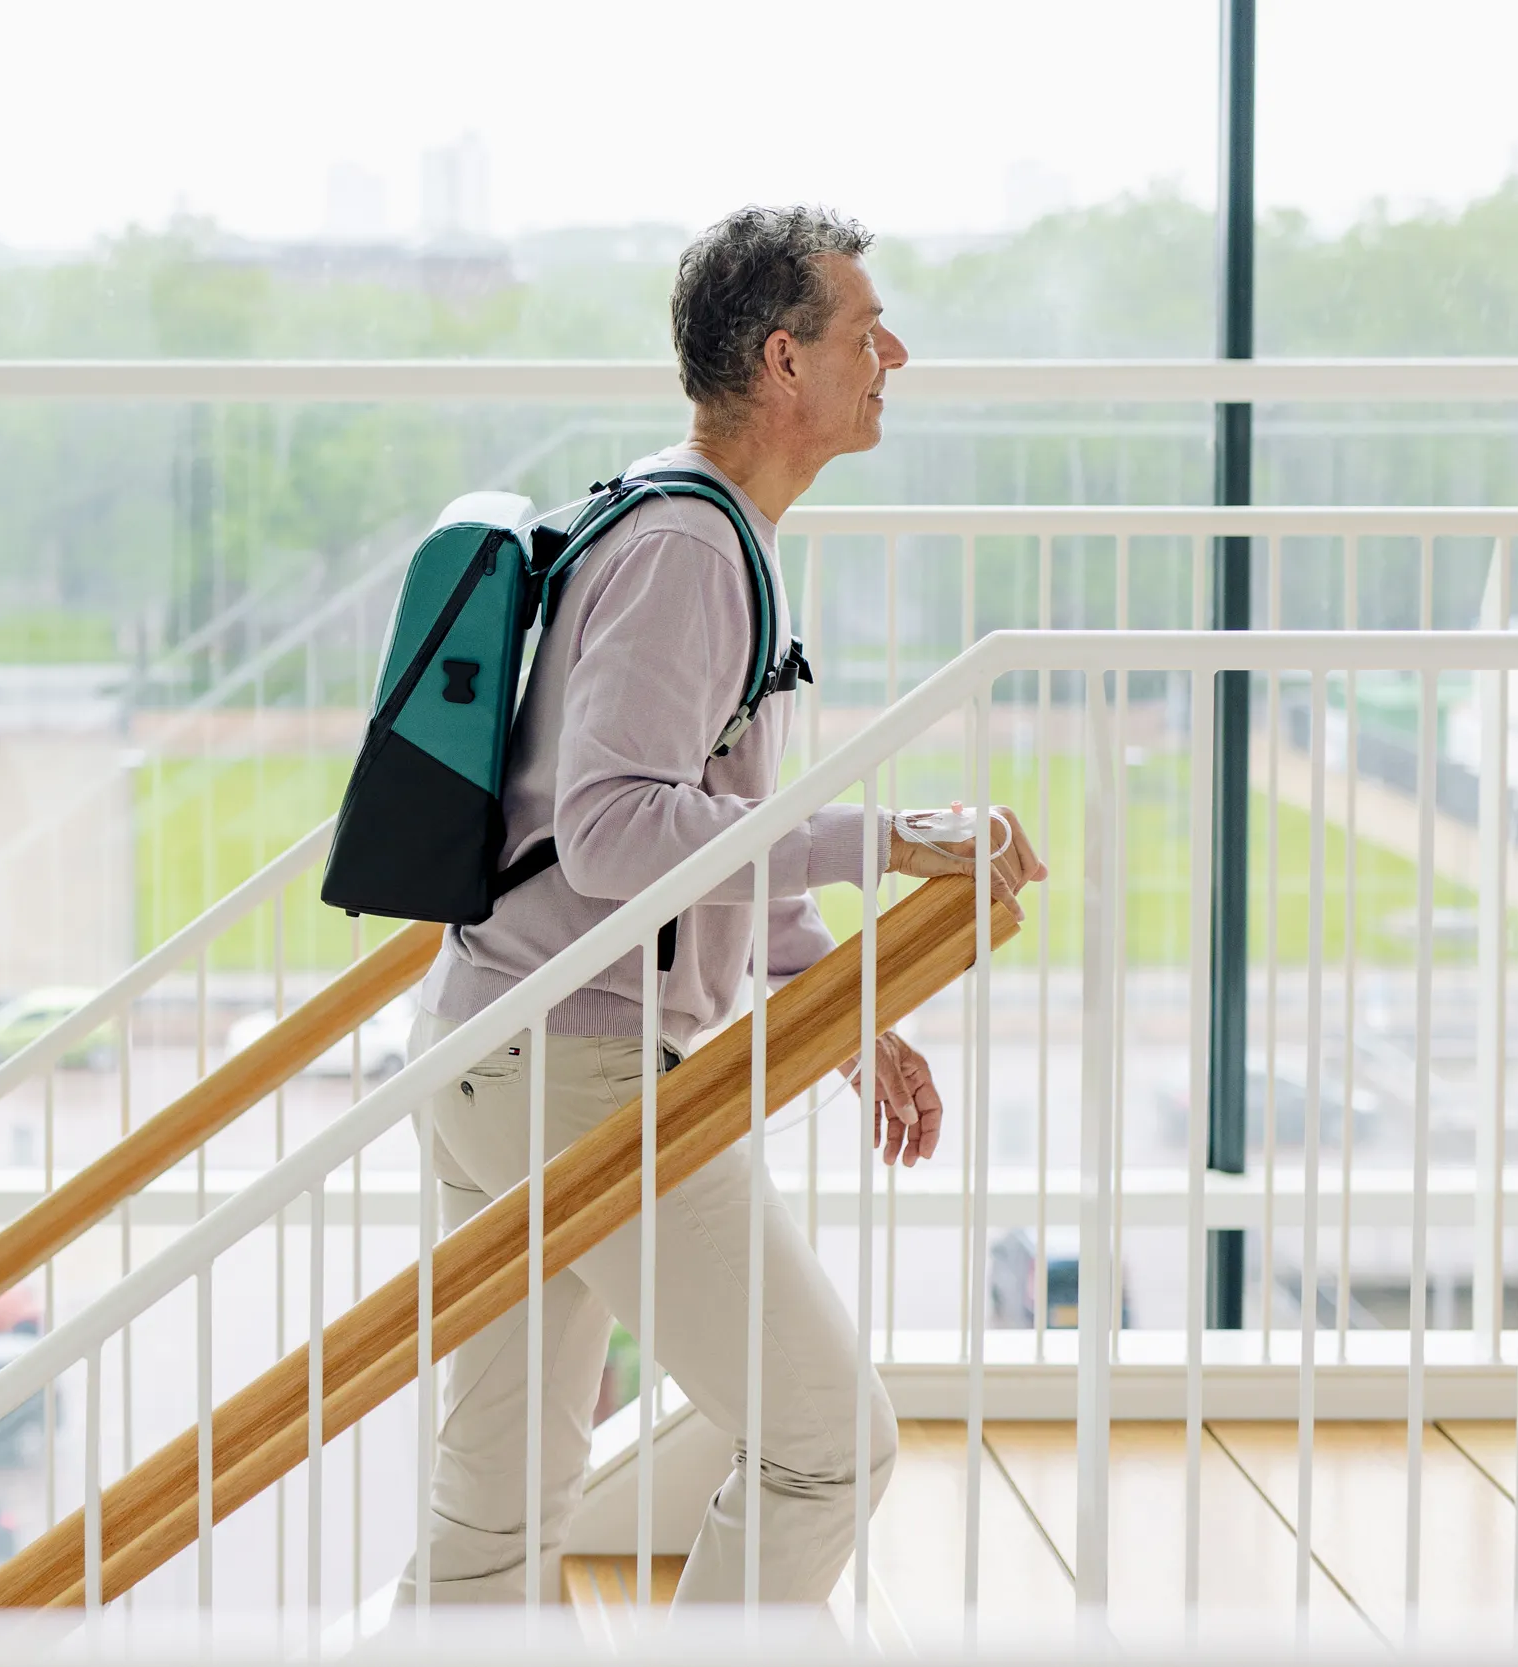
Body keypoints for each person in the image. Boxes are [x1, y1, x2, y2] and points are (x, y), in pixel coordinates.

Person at [398, 206, 1046, 1611]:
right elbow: (619, 825)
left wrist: (841, 1005)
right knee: (829, 1444)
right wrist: (888, 838)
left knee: (493, 1519)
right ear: (782, 359)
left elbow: (703, 844)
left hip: (492, 1043)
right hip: (584, 1072)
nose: (896, 352)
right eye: (864, 327)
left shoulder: (679, 520)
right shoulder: (694, 547)